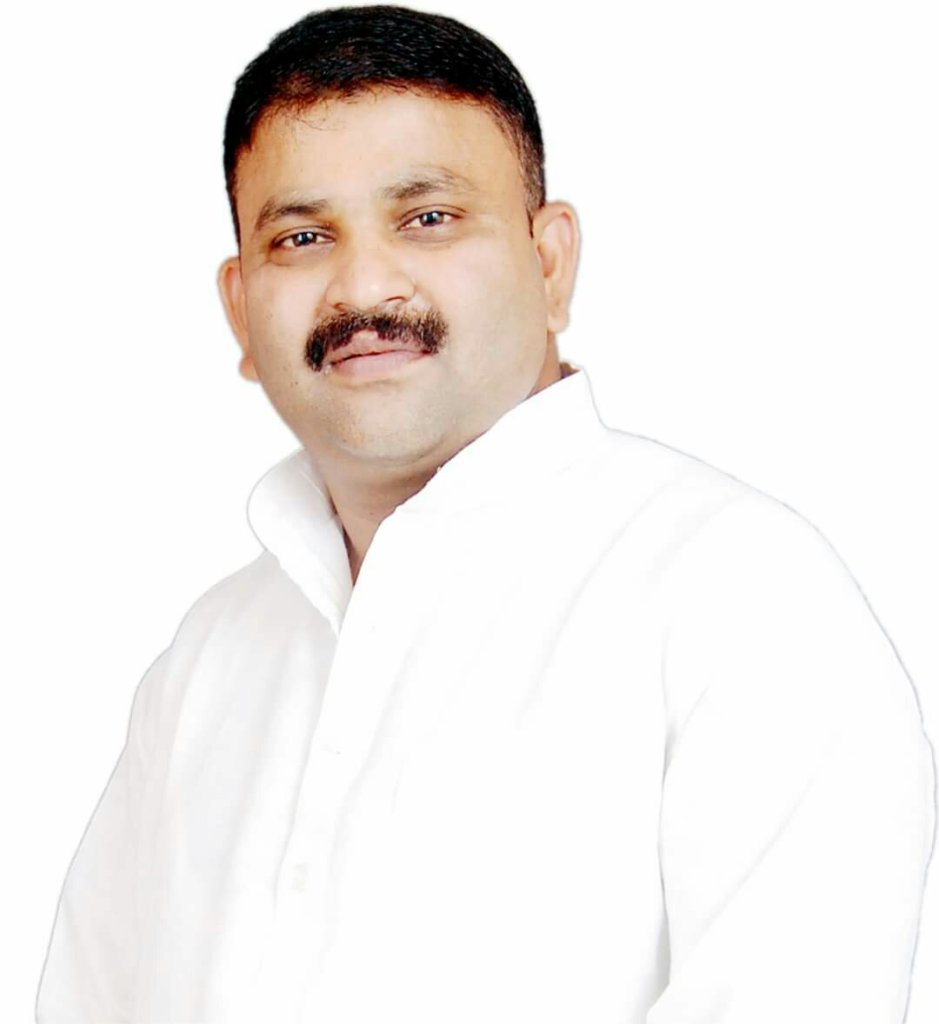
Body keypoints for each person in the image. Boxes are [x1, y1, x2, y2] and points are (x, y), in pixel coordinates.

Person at [37, 6, 934, 1023]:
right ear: (240, 308)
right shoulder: (209, 660)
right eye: (303, 237)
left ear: (550, 263)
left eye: (427, 217)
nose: (364, 284)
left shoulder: (741, 599)